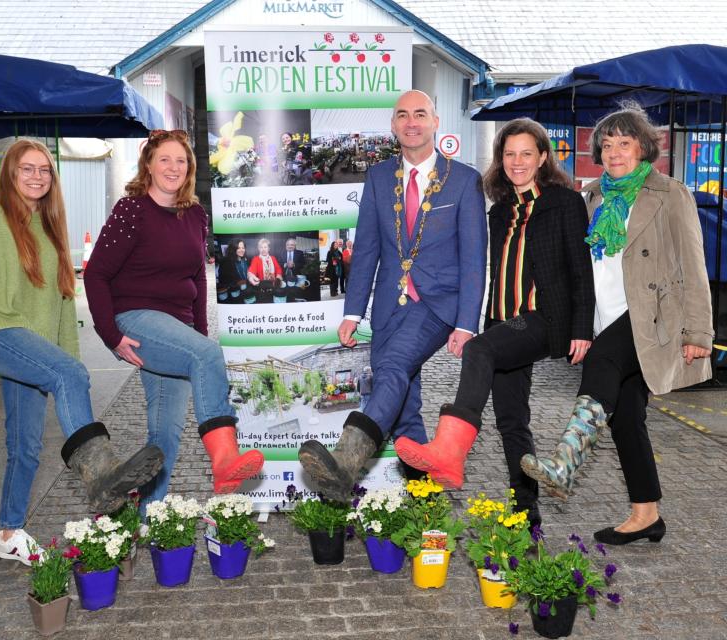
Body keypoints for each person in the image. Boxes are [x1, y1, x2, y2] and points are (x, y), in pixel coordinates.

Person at [0, 139, 164, 565]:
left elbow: (64, 301)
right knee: (63, 382)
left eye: (44, 170)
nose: (36, 177)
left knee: (25, 445)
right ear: (10, 174)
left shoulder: (50, 227)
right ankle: (101, 475)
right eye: (27, 169)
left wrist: (70, 361)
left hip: (34, 346)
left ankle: (10, 532)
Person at [519, 106, 713, 544]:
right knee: (627, 418)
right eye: (606, 145)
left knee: (602, 364)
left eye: (624, 143)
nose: (614, 152)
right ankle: (647, 514)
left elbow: (693, 264)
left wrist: (698, 333)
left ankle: (566, 461)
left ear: (643, 147)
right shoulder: (592, 197)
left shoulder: (670, 193)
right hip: (603, 314)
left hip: (648, 317)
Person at [394, 119, 595, 526]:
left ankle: (450, 449)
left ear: (542, 157)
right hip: (504, 320)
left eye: (526, 154)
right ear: (500, 160)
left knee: (479, 350)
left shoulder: (564, 202)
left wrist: (582, 328)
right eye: (509, 154)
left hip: (545, 317)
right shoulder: (500, 210)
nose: (517, 162)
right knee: (511, 419)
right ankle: (527, 514)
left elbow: (581, 270)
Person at [298, 90, 487, 500]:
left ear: (436, 122)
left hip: (437, 305)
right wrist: (352, 312)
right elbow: (366, 248)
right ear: (393, 126)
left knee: (394, 368)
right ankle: (425, 507)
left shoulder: (465, 179)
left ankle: (346, 462)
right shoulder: (379, 177)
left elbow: (474, 259)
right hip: (387, 308)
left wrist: (466, 324)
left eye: (420, 114)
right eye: (403, 115)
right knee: (405, 407)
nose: (412, 121)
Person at [84, 129, 264, 507]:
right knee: (208, 355)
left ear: (189, 168)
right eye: (164, 159)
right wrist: (110, 335)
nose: (173, 167)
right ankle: (225, 458)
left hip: (176, 330)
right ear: (148, 165)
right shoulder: (131, 210)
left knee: (165, 434)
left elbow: (198, 277)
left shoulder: (195, 214)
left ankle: (148, 522)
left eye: (181, 161)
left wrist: (197, 334)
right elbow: (97, 273)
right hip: (135, 319)